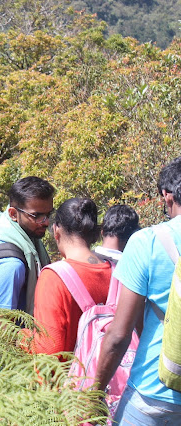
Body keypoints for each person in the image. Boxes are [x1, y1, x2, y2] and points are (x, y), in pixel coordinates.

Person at [96, 156, 181, 424]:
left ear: (167, 196)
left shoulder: (148, 242)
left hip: (153, 394)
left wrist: (94, 393)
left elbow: (119, 335)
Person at [32, 198, 111, 354]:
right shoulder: (115, 271)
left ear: (56, 231)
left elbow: (49, 349)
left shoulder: (53, 278)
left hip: (71, 376)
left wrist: (20, 337)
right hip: (112, 375)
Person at [0, 176, 54, 314]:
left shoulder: (0, 230)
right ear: (13, 213)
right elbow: (3, 328)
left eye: (49, 214)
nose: (46, 222)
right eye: (37, 216)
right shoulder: (10, 265)